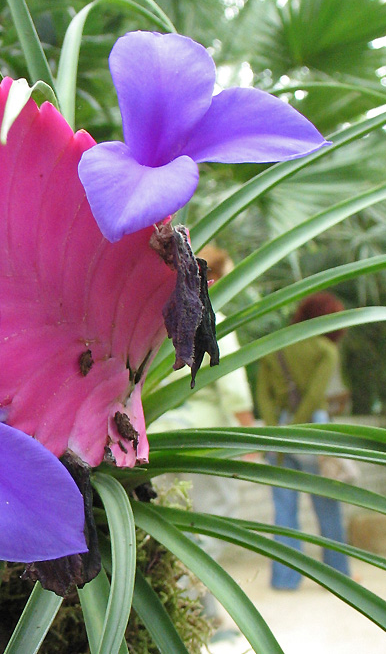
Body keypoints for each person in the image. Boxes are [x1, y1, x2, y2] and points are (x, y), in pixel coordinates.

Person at [148, 245, 254, 641]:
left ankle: (188, 612)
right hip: (204, 441)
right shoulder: (216, 319)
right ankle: (197, 612)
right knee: (211, 523)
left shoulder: (162, 318)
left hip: (159, 437)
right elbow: (234, 389)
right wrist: (250, 435)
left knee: (171, 524)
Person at [256, 292, 351, 590]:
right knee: (327, 504)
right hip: (313, 431)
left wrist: (276, 431)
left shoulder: (275, 346)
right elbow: (315, 396)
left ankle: (285, 580)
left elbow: (263, 394)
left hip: (279, 429)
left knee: (284, 510)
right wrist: (298, 429)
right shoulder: (326, 350)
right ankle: (337, 577)